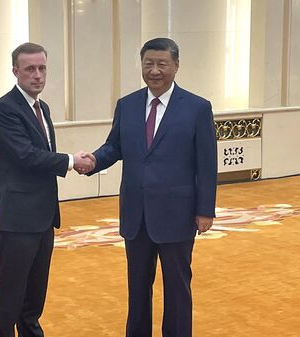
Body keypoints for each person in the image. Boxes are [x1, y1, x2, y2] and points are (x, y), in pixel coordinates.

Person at [85, 38, 218, 337]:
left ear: (176, 66)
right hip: (137, 216)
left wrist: (205, 210)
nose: (155, 71)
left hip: (178, 215)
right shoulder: (127, 104)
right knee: (137, 290)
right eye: (149, 64)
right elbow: (114, 146)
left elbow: (207, 164)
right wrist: (93, 160)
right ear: (142, 65)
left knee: (178, 289)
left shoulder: (197, 108)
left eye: (162, 64)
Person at [0, 42, 94, 337]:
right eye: (30, 69)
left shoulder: (41, 108)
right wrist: (72, 161)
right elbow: (26, 155)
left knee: (34, 296)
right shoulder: (4, 109)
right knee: (10, 295)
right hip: (16, 220)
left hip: (44, 217)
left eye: (42, 68)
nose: (37, 75)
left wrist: (71, 162)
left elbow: (42, 157)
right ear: (15, 71)